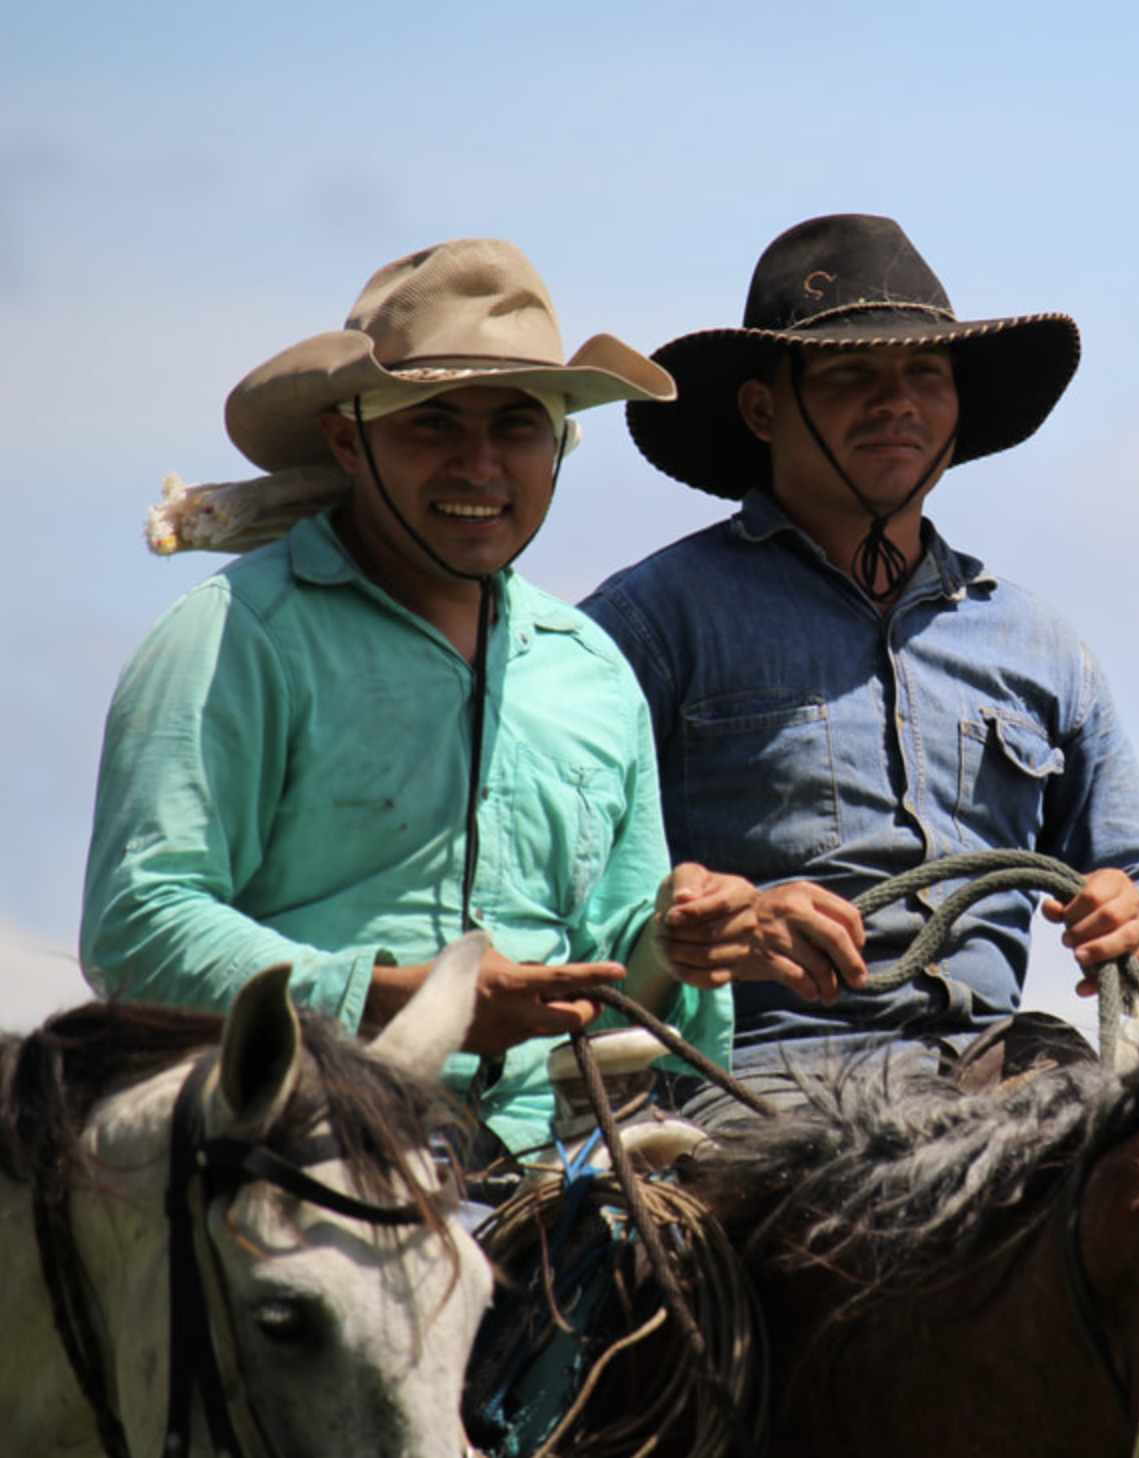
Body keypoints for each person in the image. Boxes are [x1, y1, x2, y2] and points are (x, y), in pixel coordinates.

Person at [81, 238, 756, 1161]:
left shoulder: (591, 671)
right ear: (347, 438)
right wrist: (399, 1000)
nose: (480, 466)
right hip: (298, 1162)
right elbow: (139, 925)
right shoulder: (237, 635)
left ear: (558, 441)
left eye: (517, 426)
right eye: (434, 422)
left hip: (551, 1180)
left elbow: (613, 977)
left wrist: (683, 938)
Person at [581, 214, 1139, 1094]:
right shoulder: (652, 623)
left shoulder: (1038, 643)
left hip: (1004, 1067)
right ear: (762, 408)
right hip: (763, 1079)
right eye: (849, 373)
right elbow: (559, 897)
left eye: (925, 373)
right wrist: (719, 923)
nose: (895, 400)